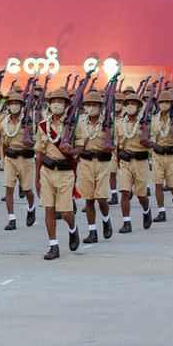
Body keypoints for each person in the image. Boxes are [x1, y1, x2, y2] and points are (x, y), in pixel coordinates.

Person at [34, 89, 80, 260]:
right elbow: (39, 153)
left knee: (65, 211)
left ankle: (73, 228)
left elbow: (81, 147)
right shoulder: (43, 126)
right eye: (53, 101)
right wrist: (37, 178)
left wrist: (72, 150)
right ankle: (53, 246)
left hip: (65, 172)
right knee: (49, 209)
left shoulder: (74, 124)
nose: (56, 104)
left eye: (60, 102)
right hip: (46, 171)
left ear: (67, 105)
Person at [64, 91, 113, 243]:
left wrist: (109, 145)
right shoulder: (80, 121)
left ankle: (106, 219)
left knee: (102, 199)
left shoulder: (108, 122)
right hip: (85, 162)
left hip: (103, 163)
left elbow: (114, 145)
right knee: (89, 200)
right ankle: (92, 232)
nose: (91, 107)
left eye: (94, 105)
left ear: (100, 106)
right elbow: (74, 140)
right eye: (88, 105)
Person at [115, 93, 153, 232]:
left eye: (134, 103)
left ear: (138, 106)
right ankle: (126, 222)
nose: (131, 106)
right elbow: (117, 146)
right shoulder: (119, 124)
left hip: (141, 162)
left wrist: (147, 141)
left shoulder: (146, 123)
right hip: (125, 162)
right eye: (128, 103)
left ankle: (146, 210)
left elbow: (152, 144)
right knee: (125, 192)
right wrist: (119, 163)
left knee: (141, 195)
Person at [0, 91, 37, 229]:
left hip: (26, 159)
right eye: (12, 103)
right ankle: (12, 219)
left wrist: (30, 143)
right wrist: (2, 159)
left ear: (21, 105)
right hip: (10, 158)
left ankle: (31, 208)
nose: (14, 106)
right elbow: (3, 143)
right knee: (9, 188)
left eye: (17, 103)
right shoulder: (4, 123)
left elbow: (36, 141)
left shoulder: (29, 121)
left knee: (27, 190)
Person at [148, 90, 173, 219]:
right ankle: (161, 211)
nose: (164, 104)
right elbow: (152, 136)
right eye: (161, 102)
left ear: (171, 103)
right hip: (158, 154)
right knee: (158, 184)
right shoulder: (154, 119)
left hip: (172, 155)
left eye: (166, 102)